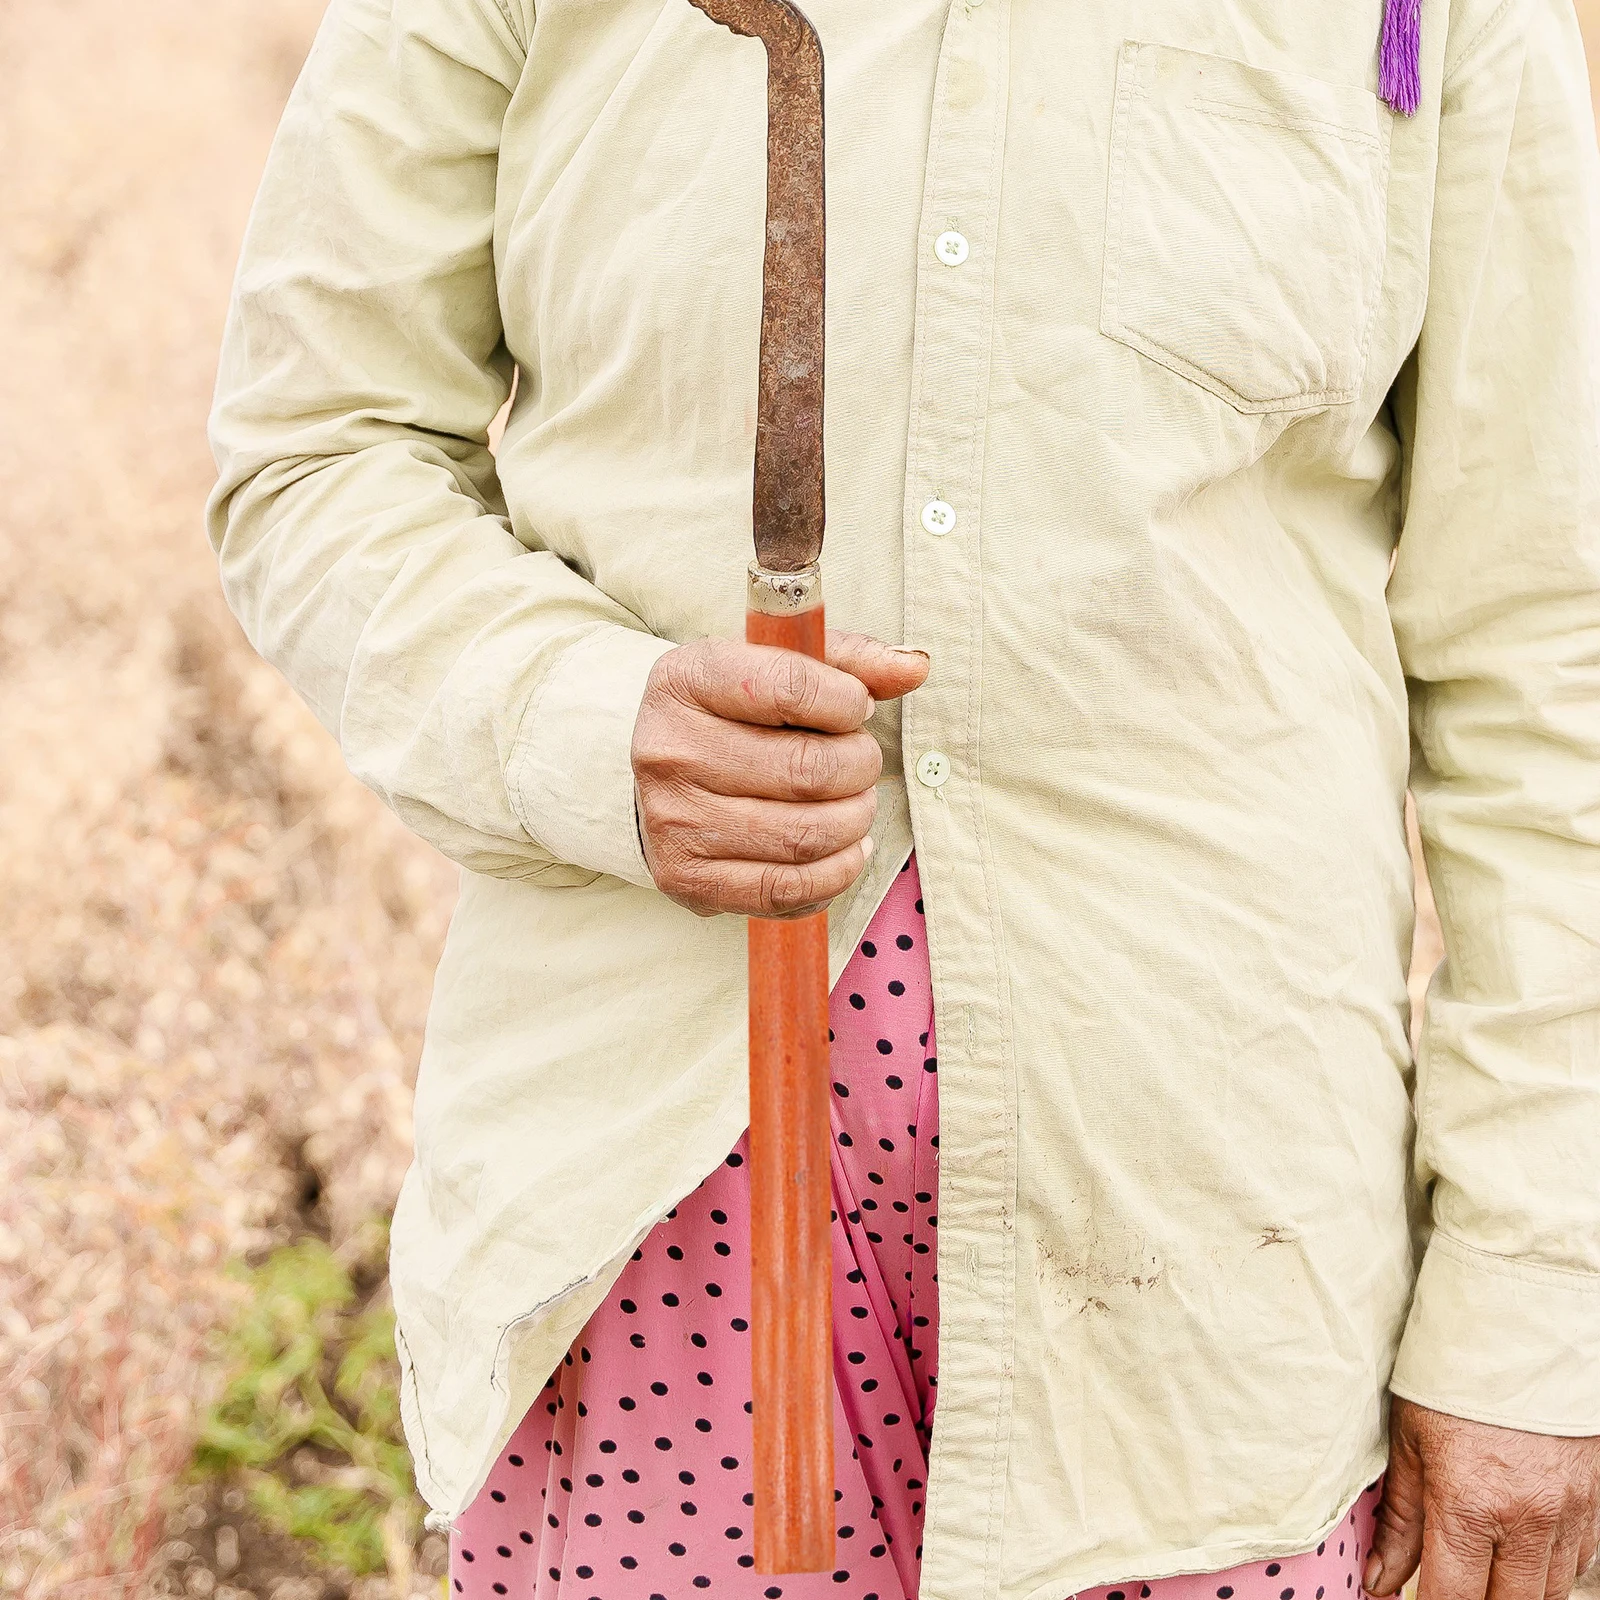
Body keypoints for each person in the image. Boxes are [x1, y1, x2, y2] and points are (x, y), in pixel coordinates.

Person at [206, 0, 1600, 1597]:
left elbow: (1550, 651)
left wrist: (1536, 1298)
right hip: (654, 1223)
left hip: (1214, 1294)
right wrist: (587, 727)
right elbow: (317, 452)